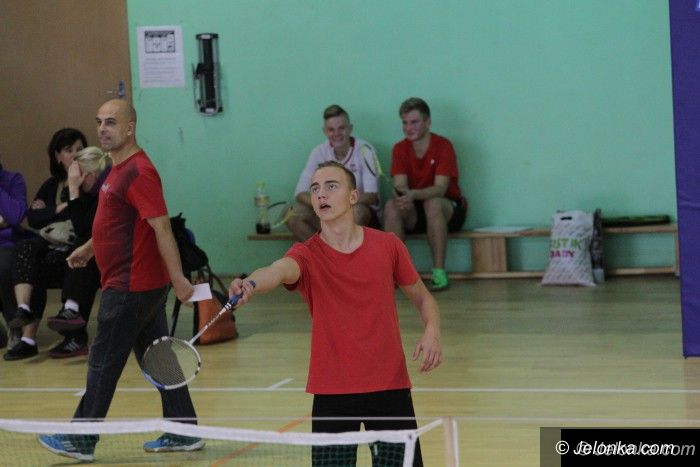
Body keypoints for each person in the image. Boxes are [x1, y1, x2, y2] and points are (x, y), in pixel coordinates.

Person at [230, 160, 442, 466]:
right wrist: (250, 283)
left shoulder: (388, 246)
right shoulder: (306, 254)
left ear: (353, 196)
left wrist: (432, 330)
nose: (321, 194)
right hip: (332, 392)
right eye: (315, 189)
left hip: (389, 386)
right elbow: (278, 271)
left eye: (331, 186)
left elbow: (423, 298)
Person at [38, 99, 202, 462]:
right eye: (99, 122)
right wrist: (89, 248)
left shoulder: (139, 171)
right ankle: (184, 430)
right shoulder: (116, 168)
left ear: (130, 128)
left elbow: (161, 228)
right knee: (159, 359)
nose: (102, 129)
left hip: (130, 287)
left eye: (111, 122)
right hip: (138, 285)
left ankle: (81, 440)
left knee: (102, 364)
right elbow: (119, 224)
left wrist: (179, 279)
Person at [5, 128, 89, 360]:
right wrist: (60, 208)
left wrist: (54, 210)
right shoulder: (51, 185)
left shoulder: (89, 182)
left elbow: (83, 221)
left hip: (80, 250)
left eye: (80, 149)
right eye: (69, 150)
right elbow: (33, 218)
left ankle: (73, 336)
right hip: (52, 247)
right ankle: (25, 321)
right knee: (27, 249)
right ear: (57, 156)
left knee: (74, 252)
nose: (75, 155)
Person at [383, 97, 468, 292]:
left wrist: (412, 194)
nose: (408, 128)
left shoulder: (443, 145)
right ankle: (395, 274)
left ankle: (439, 272)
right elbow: (400, 184)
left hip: (448, 209)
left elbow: (440, 189)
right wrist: (401, 196)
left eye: (414, 122)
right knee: (391, 207)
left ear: (428, 122)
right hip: (415, 209)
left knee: (433, 203)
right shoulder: (400, 148)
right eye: (404, 123)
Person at [44, 146, 111, 358]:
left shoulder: (106, 188)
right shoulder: (90, 190)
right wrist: (73, 191)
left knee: (83, 246)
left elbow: (83, 228)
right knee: (78, 251)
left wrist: (74, 190)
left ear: (89, 175)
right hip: (98, 250)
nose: (74, 180)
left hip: (119, 252)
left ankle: (72, 318)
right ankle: (72, 325)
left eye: (77, 176)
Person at [286, 105, 381, 241]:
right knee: (291, 213)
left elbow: (371, 196)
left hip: (363, 216)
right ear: (325, 131)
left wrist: (335, 204)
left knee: (357, 212)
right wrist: (324, 204)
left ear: (350, 128)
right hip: (327, 212)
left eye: (341, 128)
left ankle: (332, 252)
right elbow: (300, 193)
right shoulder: (319, 152)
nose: (336, 133)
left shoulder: (366, 150)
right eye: (331, 129)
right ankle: (324, 252)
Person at [0, 156, 28, 350]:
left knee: (4, 266)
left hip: (6, 243)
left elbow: (15, 215)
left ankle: (14, 325)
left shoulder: (13, 180)